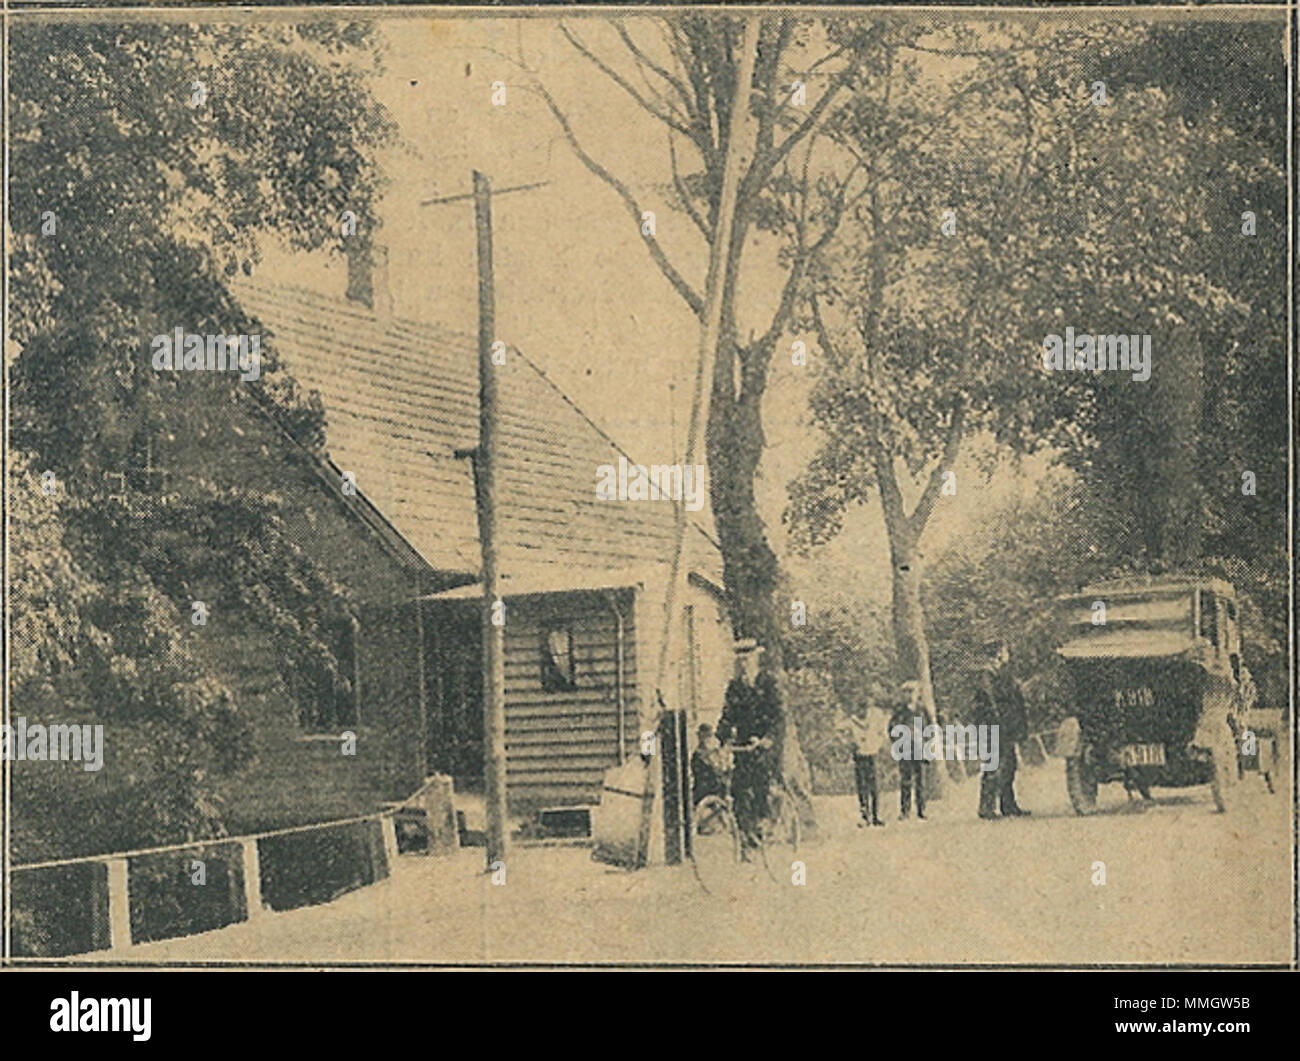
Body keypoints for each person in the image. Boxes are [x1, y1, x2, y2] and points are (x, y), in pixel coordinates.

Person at [717, 639, 782, 850]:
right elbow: (727, 717)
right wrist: (720, 739)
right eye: (740, 660)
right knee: (738, 788)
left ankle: (765, 820)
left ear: (756, 658)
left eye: (747, 659)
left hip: (766, 744)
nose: (744, 664)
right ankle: (745, 834)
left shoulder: (768, 683)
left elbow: (778, 716)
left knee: (760, 778)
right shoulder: (735, 687)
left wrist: (767, 739)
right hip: (744, 745)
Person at [973, 639, 1030, 819]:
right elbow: (988, 701)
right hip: (994, 728)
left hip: (1006, 727)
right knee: (993, 766)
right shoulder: (987, 674)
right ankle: (986, 808)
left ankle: (1008, 804)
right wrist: (997, 723)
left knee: (1009, 765)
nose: (1008, 654)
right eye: (1005, 650)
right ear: (998, 653)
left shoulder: (1002, 673)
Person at [839, 699, 890, 826]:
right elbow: (839, 729)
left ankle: (876, 815)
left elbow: (882, 733)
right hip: (859, 756)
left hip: (872, 754)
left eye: (864, 709)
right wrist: (849, 742)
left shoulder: (873, 720)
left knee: (874, 787)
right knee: (862, 787)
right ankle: (865, 815)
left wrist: (878, 744)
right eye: (859, 709)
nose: (862, 712)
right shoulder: (852, 721)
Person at [888, 682, 926, 820]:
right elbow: (891, 728)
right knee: (906, 780)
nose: (910, 695)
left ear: (918, 693)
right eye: (907, 692)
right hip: (905, 748)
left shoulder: (921, 710)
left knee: (920, 780)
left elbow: (928, 728)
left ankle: (921, 810)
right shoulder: (900, 710)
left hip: (919, 748)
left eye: (912, 691)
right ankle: (905, 811)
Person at [690, 723, 727, 803]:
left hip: (713, 789)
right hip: (703, 790)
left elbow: (720, 768)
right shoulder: (698, 754)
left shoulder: (714, 751)